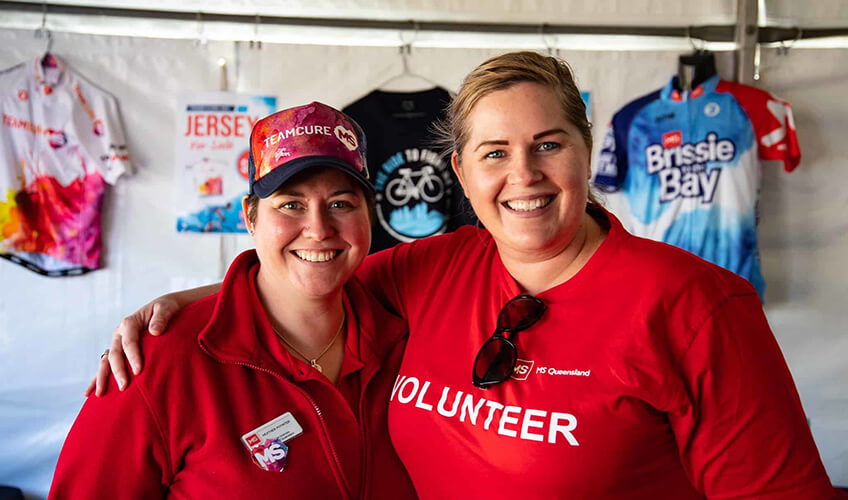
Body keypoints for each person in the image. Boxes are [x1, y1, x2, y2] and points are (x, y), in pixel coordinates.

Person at [89, 52, 845, 499]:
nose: (524, 176)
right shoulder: (430, 267)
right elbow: (313, 272)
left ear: (586, 153)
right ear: (459, 171)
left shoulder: (696, 305)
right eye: (494, 153)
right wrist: (188, 309)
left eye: (549, 145)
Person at [50, 102, 417, 499]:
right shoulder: (154, 364)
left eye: (341, 204)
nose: (318, 229)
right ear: (250, 218)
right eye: (290, 205)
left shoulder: (407, 334)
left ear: (369, 216)